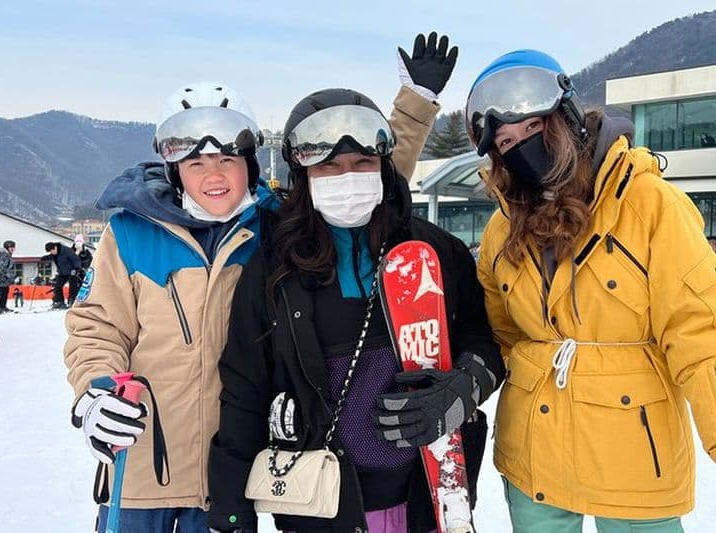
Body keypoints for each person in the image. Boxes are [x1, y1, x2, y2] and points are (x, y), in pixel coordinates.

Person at [64, 32, 452, 533]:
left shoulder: (276, 227)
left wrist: (414, 108)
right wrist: (95, 393)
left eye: (227, 159)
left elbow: (360, 176)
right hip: (143, 466)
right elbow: (96, 327)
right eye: (196, 162)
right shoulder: (132, 233)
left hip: (231, 470)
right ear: (175, 168)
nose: (214, 174)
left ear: (249, 164)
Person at [466, 49, 716, 533]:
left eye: (532, 129)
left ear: (567, 118)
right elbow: (500, 337)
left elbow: (702, 333)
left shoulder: (648, 205)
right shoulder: (502, 230)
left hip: (635, 455)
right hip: (534, 453)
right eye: (506, 142)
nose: (521, 149)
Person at [207, 92, 504, 532]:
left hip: (424, 496)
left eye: (362, 163)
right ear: (302, 173)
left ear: (383, 165)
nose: (348, 176)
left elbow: (484, 341)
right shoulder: (274, 270)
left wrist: (462, 387)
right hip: (322, 504)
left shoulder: (434, 252)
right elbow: (244, 389)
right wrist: (231, 510)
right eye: (329, 166)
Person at [42, 241, 82, 309]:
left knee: (73, 287)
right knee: (57, 286)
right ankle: (59, 302)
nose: (51, 253)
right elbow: (53, 256)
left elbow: (76, 259)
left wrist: (77, 268)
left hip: (72, 271)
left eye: (51, 251)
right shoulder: (55, 253)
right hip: (62, 272)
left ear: (55, 247)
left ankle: (71, 301)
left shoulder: (66, 250)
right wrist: (45, 258)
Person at [0, 240, 15, 314]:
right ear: (8, 248)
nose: (13, 249)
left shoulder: (6, 255)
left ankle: (2, 307)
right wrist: (10, 275)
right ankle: (2, 307)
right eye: (12, 248)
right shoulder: (4, 255)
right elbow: (1, 267)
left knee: (5, 291)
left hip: (3, 279)